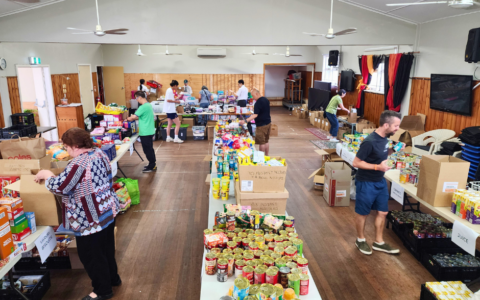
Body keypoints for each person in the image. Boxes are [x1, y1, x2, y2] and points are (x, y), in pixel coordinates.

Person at [34, 128, 121, 300]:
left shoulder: (79, 164)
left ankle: (102, 291)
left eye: (66, 147)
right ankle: (113, 279)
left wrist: (47, 175)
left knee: (91, 255)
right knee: (106, 250)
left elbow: (61, 186)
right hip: (107, 210)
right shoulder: (98, 153)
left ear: (75, 146)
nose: (66, 150)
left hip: (90, 218)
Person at [352, 110, 403, 256]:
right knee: (363, 213)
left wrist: (394, 149)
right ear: (386, 125)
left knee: (383, 212)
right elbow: (356, 162)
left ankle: (378, 242)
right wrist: (377, 167)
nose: (397, 128)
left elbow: (381, 154)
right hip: (366, 182)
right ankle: (360, 239)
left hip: (380, 181)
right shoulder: (369, 142)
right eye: (396, 125)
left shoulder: (385, 138)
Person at [126, 91, 157, 172]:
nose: (136, 100)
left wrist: (128, 118)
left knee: (147, 149)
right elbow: (140, 117)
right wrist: (133, 117)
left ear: (139, 97)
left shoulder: (142, 107)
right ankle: (152, 164)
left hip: (145, 132)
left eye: (136, 98)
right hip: (149, 130)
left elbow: (134, 117)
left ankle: (152, 166)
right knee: (150, 148)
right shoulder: (148, 105)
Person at [239, 88, 271, 155]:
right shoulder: (266, 99)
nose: (253, 98)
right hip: (268, 122)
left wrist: (245, 120)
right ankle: (266, 155)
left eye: (253, 96)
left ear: (257, 94)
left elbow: (255, 115)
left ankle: (261, 158)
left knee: (261, 142)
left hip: (261, 125)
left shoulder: (258, 103)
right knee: (266, 141)